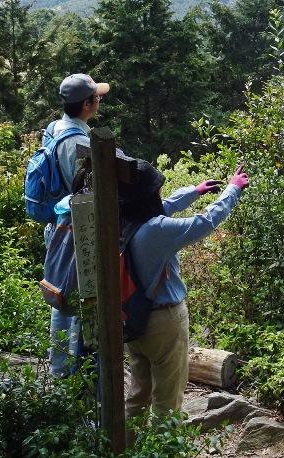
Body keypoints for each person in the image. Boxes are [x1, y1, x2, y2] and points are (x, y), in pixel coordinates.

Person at [121, 160, 250, 421]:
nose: (160, 195)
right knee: (167, 401)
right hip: (163, 322)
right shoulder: (157, 230)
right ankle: (163, 449)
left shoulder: (123, 220)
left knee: (138, 394)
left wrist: (194, 191)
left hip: (132, 318)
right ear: (148, 197)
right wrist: (232, 189)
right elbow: (206, 221)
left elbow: (164, 207)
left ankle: (126, 447)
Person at [45, 73, 109, 376]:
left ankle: (58, 367)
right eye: (96, 96)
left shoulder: (55, 129)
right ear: (87, 104)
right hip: (75, 229)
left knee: (59, 294)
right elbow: (91, 193)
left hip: (55, 225)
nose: (100, 100)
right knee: (77, 299)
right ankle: (77, 374)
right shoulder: (81, 143)